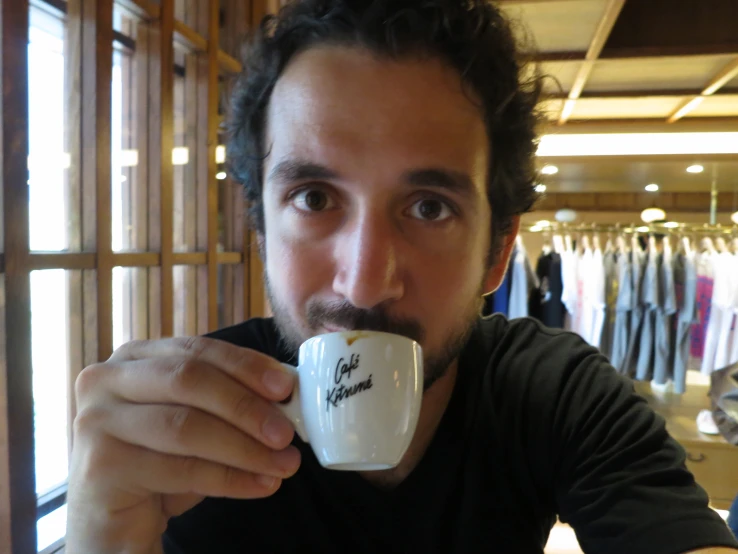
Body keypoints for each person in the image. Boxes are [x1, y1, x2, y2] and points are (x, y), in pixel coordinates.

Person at [66, 1, 738, 553]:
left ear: (498, 253)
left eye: (429, 207)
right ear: (263, 232)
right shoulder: (190, 429)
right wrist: (104, 535)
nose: (364, 284)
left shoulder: (552, 392)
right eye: (314, 198)